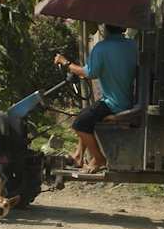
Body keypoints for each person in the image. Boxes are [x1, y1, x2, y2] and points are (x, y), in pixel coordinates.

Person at [54, 24, 138, 173]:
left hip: (114, 103)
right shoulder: (133, 45)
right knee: (86, 116)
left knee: (79, 123)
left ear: (105, 29)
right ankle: (78, 156)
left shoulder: (102, 48)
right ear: (123, 28)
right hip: (129, 100)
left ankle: (99, 158)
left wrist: (65, 62)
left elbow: (89, 73)